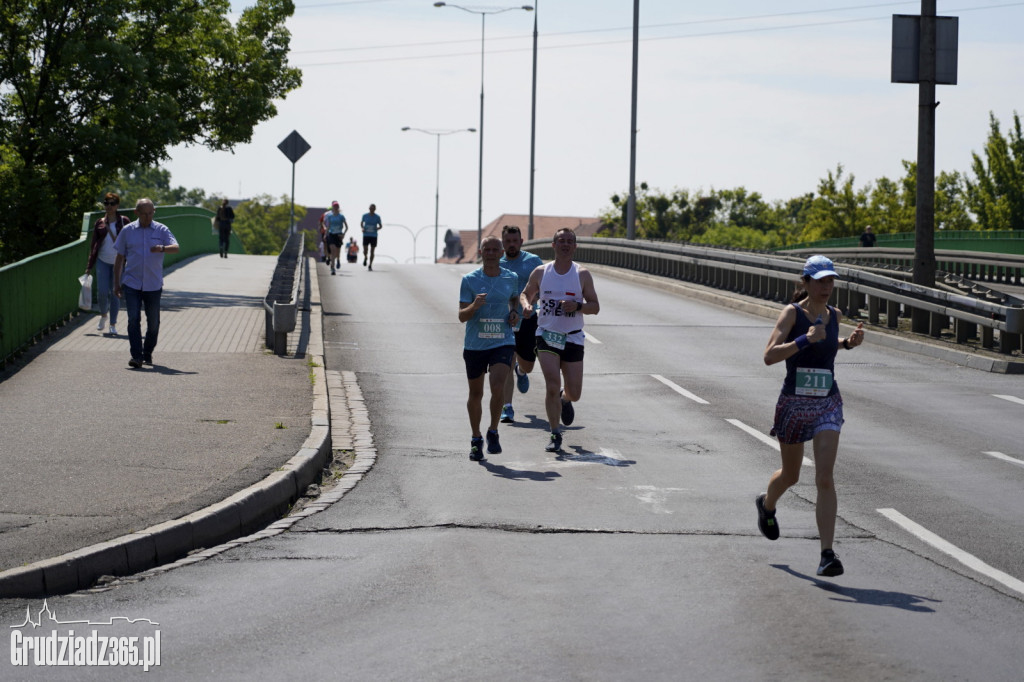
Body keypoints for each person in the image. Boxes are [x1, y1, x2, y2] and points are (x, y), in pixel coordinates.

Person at [756, 255, 865, 578]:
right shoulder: (792, 314)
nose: (827, 287)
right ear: (805, 282)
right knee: (791, 476)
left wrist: (846, 343)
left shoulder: (835, 315)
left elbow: (827, 347)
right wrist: (804, 339)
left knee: (825, 477)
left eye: (831, 281)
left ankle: (827, 554)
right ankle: (767, 505)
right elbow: (768, 356)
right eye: (820, 281)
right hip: (793, 403)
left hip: (827, 403)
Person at [519, 228, 600, 453]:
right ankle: (555, 433)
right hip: (546, 336)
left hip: (573, 338)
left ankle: (566, 400)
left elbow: (595, 306)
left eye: (569, 241)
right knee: (552, 384)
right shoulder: (541, 272)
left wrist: (579, 306)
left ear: (575, 247)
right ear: (553, 245)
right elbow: (526, 293)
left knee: (575, 393)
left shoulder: (582, 275)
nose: (565, 244)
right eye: (561, 241)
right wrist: (526, 306)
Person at [459, 235, 520, 461]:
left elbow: (514, 299)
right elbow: (461, 316)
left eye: (496, 249)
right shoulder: (469, 280)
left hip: (502, 341)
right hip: (475, 344)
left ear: (502, 252)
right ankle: (476, 438)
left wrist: (514, 313)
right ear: (481, 253)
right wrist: (474, 306)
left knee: (498, 387)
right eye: (488, 249)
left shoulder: (511, 277)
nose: (492, 253)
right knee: (476, 393)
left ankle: (493, 430)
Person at [113, 198, 180, 368]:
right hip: (132, 283)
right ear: (136, 213)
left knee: (154, 324)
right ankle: (136, 356)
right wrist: (116, 283)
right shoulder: (127, 231)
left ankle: (147, 352)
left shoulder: (161, 229)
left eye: (151, 213)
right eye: (144, 214)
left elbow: (176, 247)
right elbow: (119, 258)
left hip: (153, 284)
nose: (148, 217)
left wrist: (162, 248)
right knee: (133, 319)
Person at [498, 225, 544, 424]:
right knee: (505, 364)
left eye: (515, 241)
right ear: (503, 243)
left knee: (527, 364)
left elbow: (544, 287)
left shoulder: (532, 261)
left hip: (527, 319)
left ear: (521, 242)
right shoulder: (497, 264)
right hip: (503, 321)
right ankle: (507, 408)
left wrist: (534, 300)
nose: (511, 245)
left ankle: (522, 371)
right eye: (507, 241)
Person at [85, 192, 131, 336]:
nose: (109, 207)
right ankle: (104, 314)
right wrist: (89, 267)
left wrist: (131, 262)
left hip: (119, 262)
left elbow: (131, 241)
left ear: (117, 205)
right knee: (102, 292)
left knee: (115, 293)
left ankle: (112, 324)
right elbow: (93, 246)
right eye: (106, 203)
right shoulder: (99, 222)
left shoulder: (124, 221)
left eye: (112, 204)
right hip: (102, 261)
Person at [324, 201, 348, 275]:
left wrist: (343, 234)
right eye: (334, 206)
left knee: (337, 251)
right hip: (331, 234)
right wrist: (325, 234)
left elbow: (346, 227)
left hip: (339, 235)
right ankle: (332, 268)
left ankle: (338, 260)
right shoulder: (329, 216)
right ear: (333, 207)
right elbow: (328, 226)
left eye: (337, 206)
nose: (336, 207)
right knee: (333, 251)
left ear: (338, 207)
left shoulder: (341, 216)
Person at [361, 203, 382, 271]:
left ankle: (370, 265)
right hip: (366, 235)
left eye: (373, 208)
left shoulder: (377, 217)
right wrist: (363, 228)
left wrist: (377, 228)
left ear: (375, 209)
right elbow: (361, 223)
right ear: (369, 208)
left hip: (373, 235)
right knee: (365, 250)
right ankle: (365, 257)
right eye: (371, 208)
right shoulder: (365, 216)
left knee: (372, 251)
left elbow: (381, 226)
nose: (372, 210)